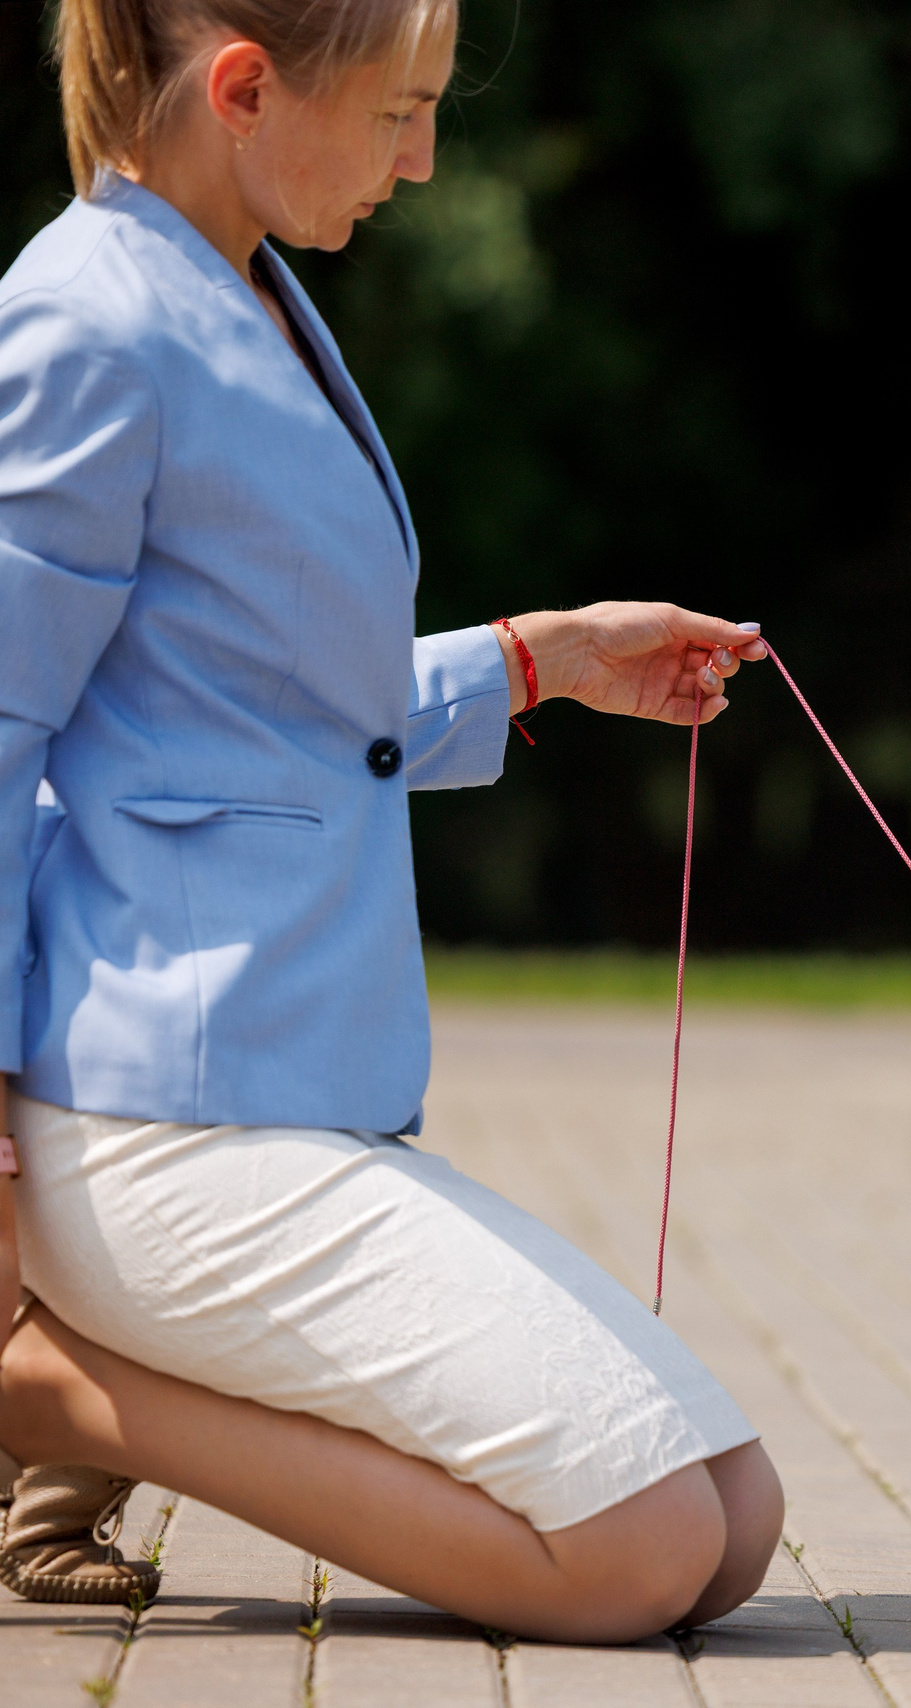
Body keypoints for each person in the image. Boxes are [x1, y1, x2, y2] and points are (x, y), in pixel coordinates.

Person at [0, 0, 786, 1640]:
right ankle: (43, 1392)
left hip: (297, 1095)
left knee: (731, 1519)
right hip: (163, 1119)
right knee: (637, 1555)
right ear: (241, 90)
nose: (424, 159)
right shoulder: (86, 321)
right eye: (399, 112)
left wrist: (538, 664)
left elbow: (260, 710)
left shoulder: (251, 293)